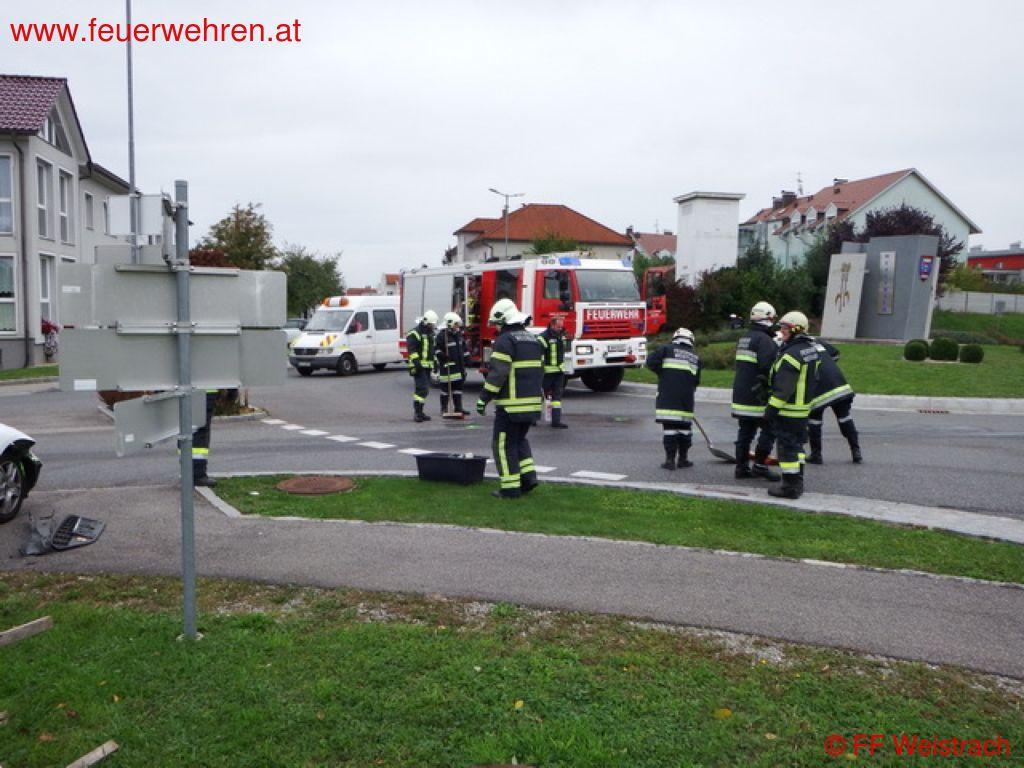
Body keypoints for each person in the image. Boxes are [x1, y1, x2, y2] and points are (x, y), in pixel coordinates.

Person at [476, 299, 544, 499]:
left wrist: (484, 398)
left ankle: (510, 488)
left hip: (510, 406)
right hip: (531, 404)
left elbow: (497, 374)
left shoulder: (505, 341)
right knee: (520, 440)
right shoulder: (533, 340)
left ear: (503, 320)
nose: (496, 328)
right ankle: (528, 478)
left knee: (503, 445)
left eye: (496, 324)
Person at [765, 311, 820, 499]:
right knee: (798, 448)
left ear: (797, 329)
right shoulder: (810, 350)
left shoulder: (791, 356)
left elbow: (783, 389)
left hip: (788, 410)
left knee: (787, 448)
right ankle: (798, 482)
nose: (781, 330)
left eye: (785, 327)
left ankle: (789, 487)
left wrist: (770, 410)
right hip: (802, 410)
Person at [731, 301, 780, 482]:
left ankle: (741, 468)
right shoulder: (765, 340)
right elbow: (769, 368)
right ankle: (760, 466)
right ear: (767, 318)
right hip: (758, 396)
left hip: (742, 393)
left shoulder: (745, 337)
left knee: (745, 432)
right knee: (769, 429)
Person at [646, 327, 701, 470]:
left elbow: (650, 362)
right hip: (686, 400)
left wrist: (663, 373)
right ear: (691, 340)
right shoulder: (695, 357)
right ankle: (683, 459)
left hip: (668, 398)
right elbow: (696, 381)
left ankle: (670, 461)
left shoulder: (666, 349)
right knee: (685, 429)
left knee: (670, 429)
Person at [808, 340, 862, 464]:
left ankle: (816, 455)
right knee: (845, 418)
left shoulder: (794, 347)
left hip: (819, 391)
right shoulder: (815, 341)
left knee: (814, 422)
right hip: (839, 386)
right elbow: (835, 353)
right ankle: (856, 451)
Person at [435, 312, 470, 415]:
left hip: (459, 368)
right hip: (448, 368)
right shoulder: (442, 336)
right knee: (445, 391)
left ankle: (458, 408)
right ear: (450, 324)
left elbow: (464, 348)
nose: (457, 326)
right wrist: (442, 355)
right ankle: (444, 409)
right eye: (456, 324)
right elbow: (436, 350)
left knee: (458, 389)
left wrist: (467, 358)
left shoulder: (458, 335)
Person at [538, 315, 570, 429]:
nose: (560, 329)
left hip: (559, 372)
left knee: (557, 398)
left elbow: (565, 351)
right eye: (558, 327)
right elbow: (540, 356)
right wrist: (540, 370)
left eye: (561, 327)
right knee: (539, 395)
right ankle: (532, 419)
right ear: (552, 325)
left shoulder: (561, 336)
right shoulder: (543, 337)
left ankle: (556, 421)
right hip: (546, 373)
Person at [406, 310, 438, 422]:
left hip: (427, 366)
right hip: (418, 366)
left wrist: (435, 362)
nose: (433, 326)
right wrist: (417, 363)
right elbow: (412, 350)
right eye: (432, 324)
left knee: (425, 390)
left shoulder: (430, 334)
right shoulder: (414, 333)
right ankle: (417, 413)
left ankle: (420, 412)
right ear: (426, 323)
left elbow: (431, 350)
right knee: (421, 389)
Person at [192, 389, 219, 487]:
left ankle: (188, 472)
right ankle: (197, 475)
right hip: (205, 391)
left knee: (187, 430)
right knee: (199, 433)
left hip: (191, 390)